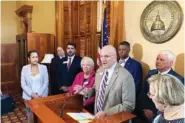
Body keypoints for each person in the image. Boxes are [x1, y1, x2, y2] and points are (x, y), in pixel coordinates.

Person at [134, 50, 184, 123]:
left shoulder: (177, 79)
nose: (158, 61)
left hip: (164, 116)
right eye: (157, 59)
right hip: (144, 113)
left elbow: (174, 103)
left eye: (161, 60)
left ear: (170, 63)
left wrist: (154, 112)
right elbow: (143, 93)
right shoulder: (150, 73)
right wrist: (144, 109)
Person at [88, 45, 135, 119]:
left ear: (115, 57)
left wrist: (106, 113)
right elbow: (97, 89)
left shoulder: (126, 76)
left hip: (113, 119)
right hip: (97, 118)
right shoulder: (99, 71)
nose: (103, 59)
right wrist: (87, 92)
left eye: (106, 56)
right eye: (101, 56)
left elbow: (128, 105)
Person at [21, 50, 49, 123]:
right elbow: (23, 84)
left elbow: (46, 83)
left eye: (36, 57)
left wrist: (38, 95)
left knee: (42, 116)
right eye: (33, 57)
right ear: (29, 58)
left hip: (41, 96)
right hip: (28, 97)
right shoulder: (24, 68)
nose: (35, 59)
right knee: (30, 116)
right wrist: (32, 94)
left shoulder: (44, 67)